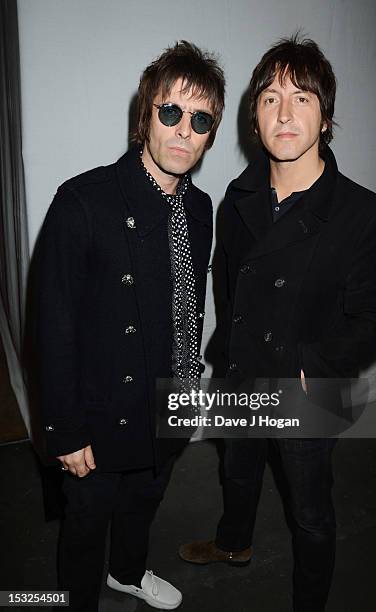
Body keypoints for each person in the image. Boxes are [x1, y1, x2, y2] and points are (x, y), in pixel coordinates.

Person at [179, 34, 376, 611]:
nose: (285, 112)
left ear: (325, 117)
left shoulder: (364, 213)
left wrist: (315, 367)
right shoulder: (238, 196)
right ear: (254, 118)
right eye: (271, 97)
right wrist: (225, 351)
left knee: (311, 513)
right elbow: (225, 286)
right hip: (242, 373)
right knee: (238, 470)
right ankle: (234, 544)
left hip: (305, 385)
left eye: (302, 98)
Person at [35, 40, 225, 611]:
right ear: (146, 115)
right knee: (88, 523)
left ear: (211, 132)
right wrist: (65, 430)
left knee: (144, 502)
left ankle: (128, 571)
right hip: (98, 414)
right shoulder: (82, 201)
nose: (183, 130)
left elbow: (186, 308)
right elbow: (52, 325)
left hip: (168, 399)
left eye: (200, 119)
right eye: (171, 111)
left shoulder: (200, 208)